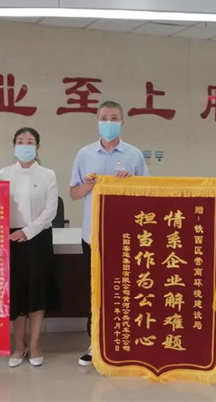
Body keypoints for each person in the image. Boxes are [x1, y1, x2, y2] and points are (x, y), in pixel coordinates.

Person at [69, 101, 149, 366]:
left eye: (113, 118)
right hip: (93, 236)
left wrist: (131, 184)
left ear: (122, 122)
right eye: (104, 118)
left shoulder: (134, 155)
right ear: (97, 121)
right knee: (96, 291)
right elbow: (73, 193)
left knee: (126, 289)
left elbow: (147, 193)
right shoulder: (84, 154)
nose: (108, 122)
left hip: (125, 236)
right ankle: (95, 343)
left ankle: (127, 341)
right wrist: (88, 186)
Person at [0, 127, 60, 368]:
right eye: (20, 141)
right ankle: (18, 346)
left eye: (30, 141)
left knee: (37, 293)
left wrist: (28, 231)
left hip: (38, 239)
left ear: (37, 147)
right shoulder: (2, 174)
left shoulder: (47, 175)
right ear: (14, 145)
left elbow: (50, 210)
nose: (25, 145)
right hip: (11, 240)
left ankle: (35, 346)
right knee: (18, 294)